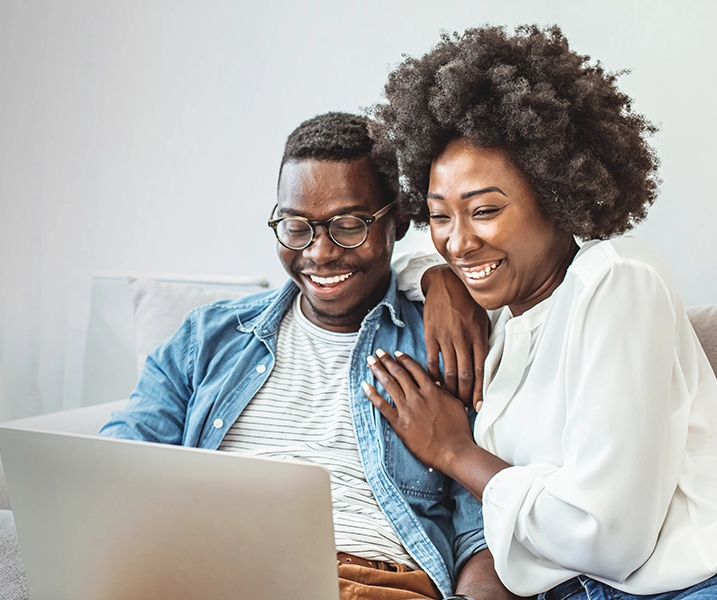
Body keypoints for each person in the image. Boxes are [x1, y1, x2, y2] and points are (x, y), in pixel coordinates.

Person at [364, 25, 717, 600]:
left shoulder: (616, 278)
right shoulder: (503, 311)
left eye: (485, 210)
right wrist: (437, 276)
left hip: (702, 587)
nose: (461, 240)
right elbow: (405, 260)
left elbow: (608, 539)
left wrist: (455, 452)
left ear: (556, 194)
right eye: (440, 216)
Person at [100, 112, 511, 600]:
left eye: (348, 226)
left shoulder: (445, 345)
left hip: (369, 582)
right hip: (206, 574)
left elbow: (485, 534)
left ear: (397, 222)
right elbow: (110, 472)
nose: (319, 253)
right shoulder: (206, 338)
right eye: (296, 226)